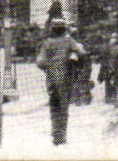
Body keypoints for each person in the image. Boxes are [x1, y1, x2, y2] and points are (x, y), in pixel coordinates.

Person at [35, 16, 85, 146]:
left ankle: (55, 130)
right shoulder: (69, 41)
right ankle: (61, 136)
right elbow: (82, 53)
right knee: (64, 107)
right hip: (66, 78)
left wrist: (48, 69)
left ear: (52, 29)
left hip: (51, 79)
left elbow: (40, 62)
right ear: (64, 29)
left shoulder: (47, 43)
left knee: (54, 106)